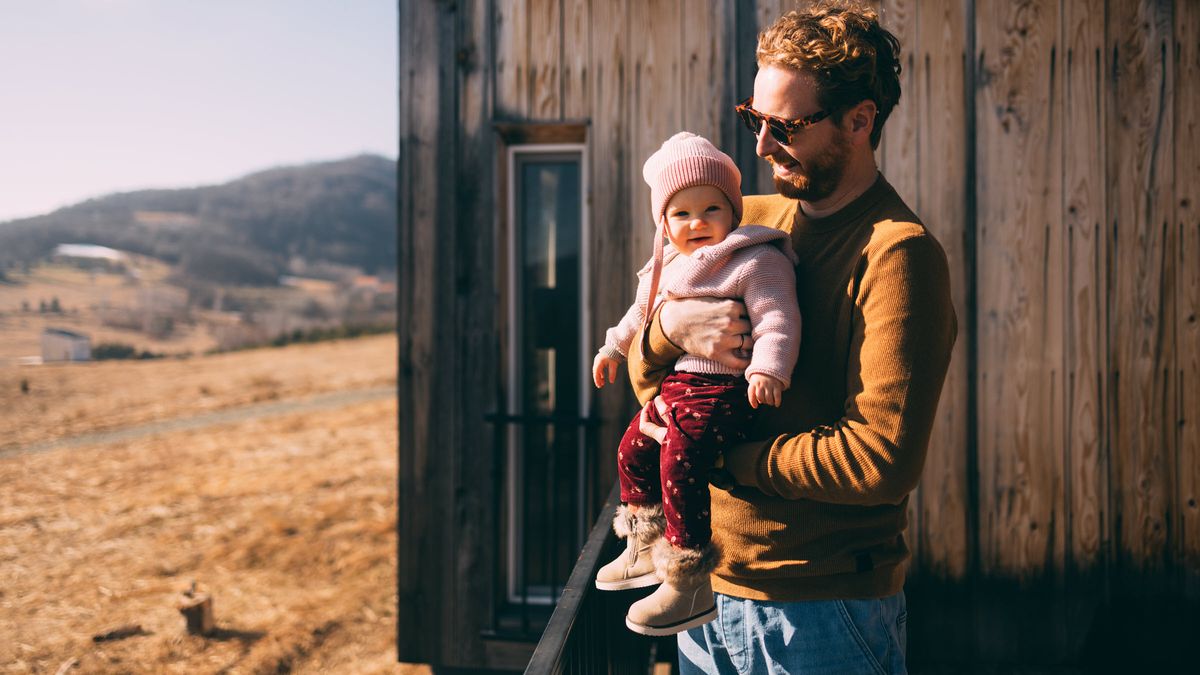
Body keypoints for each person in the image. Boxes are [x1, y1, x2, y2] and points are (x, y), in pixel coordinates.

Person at [627, 3, 957, 673]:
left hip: (822, 614)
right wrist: (667, 330)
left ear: (858, 121)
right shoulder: (744, 218)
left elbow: (877, 460)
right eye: (755, 118)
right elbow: (646, 378)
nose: (760, 146)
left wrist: (721, 459)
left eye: (786, 126)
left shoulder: (899, 255)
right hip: (710, 596)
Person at [591, 132, 801, 637]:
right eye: (681, 214)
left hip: (727, 389)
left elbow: (778, 318)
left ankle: (690, 576)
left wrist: (769, 369)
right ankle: (643, 544)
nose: (698, 222)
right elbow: (639, 317)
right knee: (632, 447)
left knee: (680, 459)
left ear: (734, 211)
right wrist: (612, 348)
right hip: (677, 388)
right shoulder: (664, 267)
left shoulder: (753, 258)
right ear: (663, 222)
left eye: (712, 208)